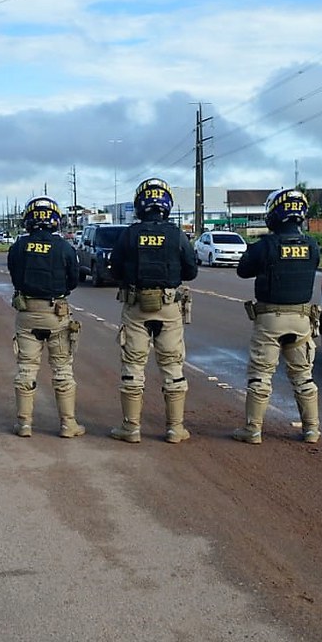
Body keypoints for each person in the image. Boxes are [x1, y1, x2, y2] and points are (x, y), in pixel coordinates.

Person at [109, 178, 198, 443]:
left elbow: (114, 268)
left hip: (136, 307)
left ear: (140, 204)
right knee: (172, 366)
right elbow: (191, 271)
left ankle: (131, 428)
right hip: (169, 308)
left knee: (133, 366)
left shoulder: (130, 233)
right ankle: (175, 428)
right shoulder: (177, 234)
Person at [233, 188, 321, 444]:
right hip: (302, 319)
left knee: (261, 374)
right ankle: (312, 430)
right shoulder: (312, 246)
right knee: (303, 376)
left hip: (270, 319)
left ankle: (253, 430)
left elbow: (243, 270)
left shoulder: (265, 246)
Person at [7, 196, 84, 438]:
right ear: (55, 221)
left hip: (27, 314)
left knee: (26, 369)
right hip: (56, 314)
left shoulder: (18, 246)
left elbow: (14, 275)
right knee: (62, 370)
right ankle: (68, 424)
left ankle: (24, 424)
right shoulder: (64, 248)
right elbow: (74, 280)